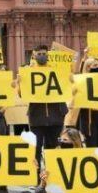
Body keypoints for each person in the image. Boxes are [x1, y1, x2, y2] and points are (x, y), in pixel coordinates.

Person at [36, 127, 98, 193]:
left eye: (65, 140)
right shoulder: (54, 156)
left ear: (74, 142)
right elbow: (47, 184)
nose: (61, 142)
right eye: (60, 139)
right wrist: (43, 181)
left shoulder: (87, 156)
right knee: (39, 192)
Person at [20, 45, 66, 177]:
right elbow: (22, 93)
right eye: (39, 54)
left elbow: (66, 88)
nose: (42, 56)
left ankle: (53, 176)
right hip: (36, 117)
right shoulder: (28, 71)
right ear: (34, 56)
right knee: (36, 148)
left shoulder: (56, 70)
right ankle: (36, 177)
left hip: (56, 116)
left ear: (48, 55)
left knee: (53, 149)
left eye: (44, 54)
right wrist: (19, 82)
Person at [69, 50, 98, 147]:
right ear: (88, 67)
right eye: (95, 65)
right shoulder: (83, 80)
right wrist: (84, 58)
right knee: (92, 146)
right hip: (89, 120)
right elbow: (80, 76)